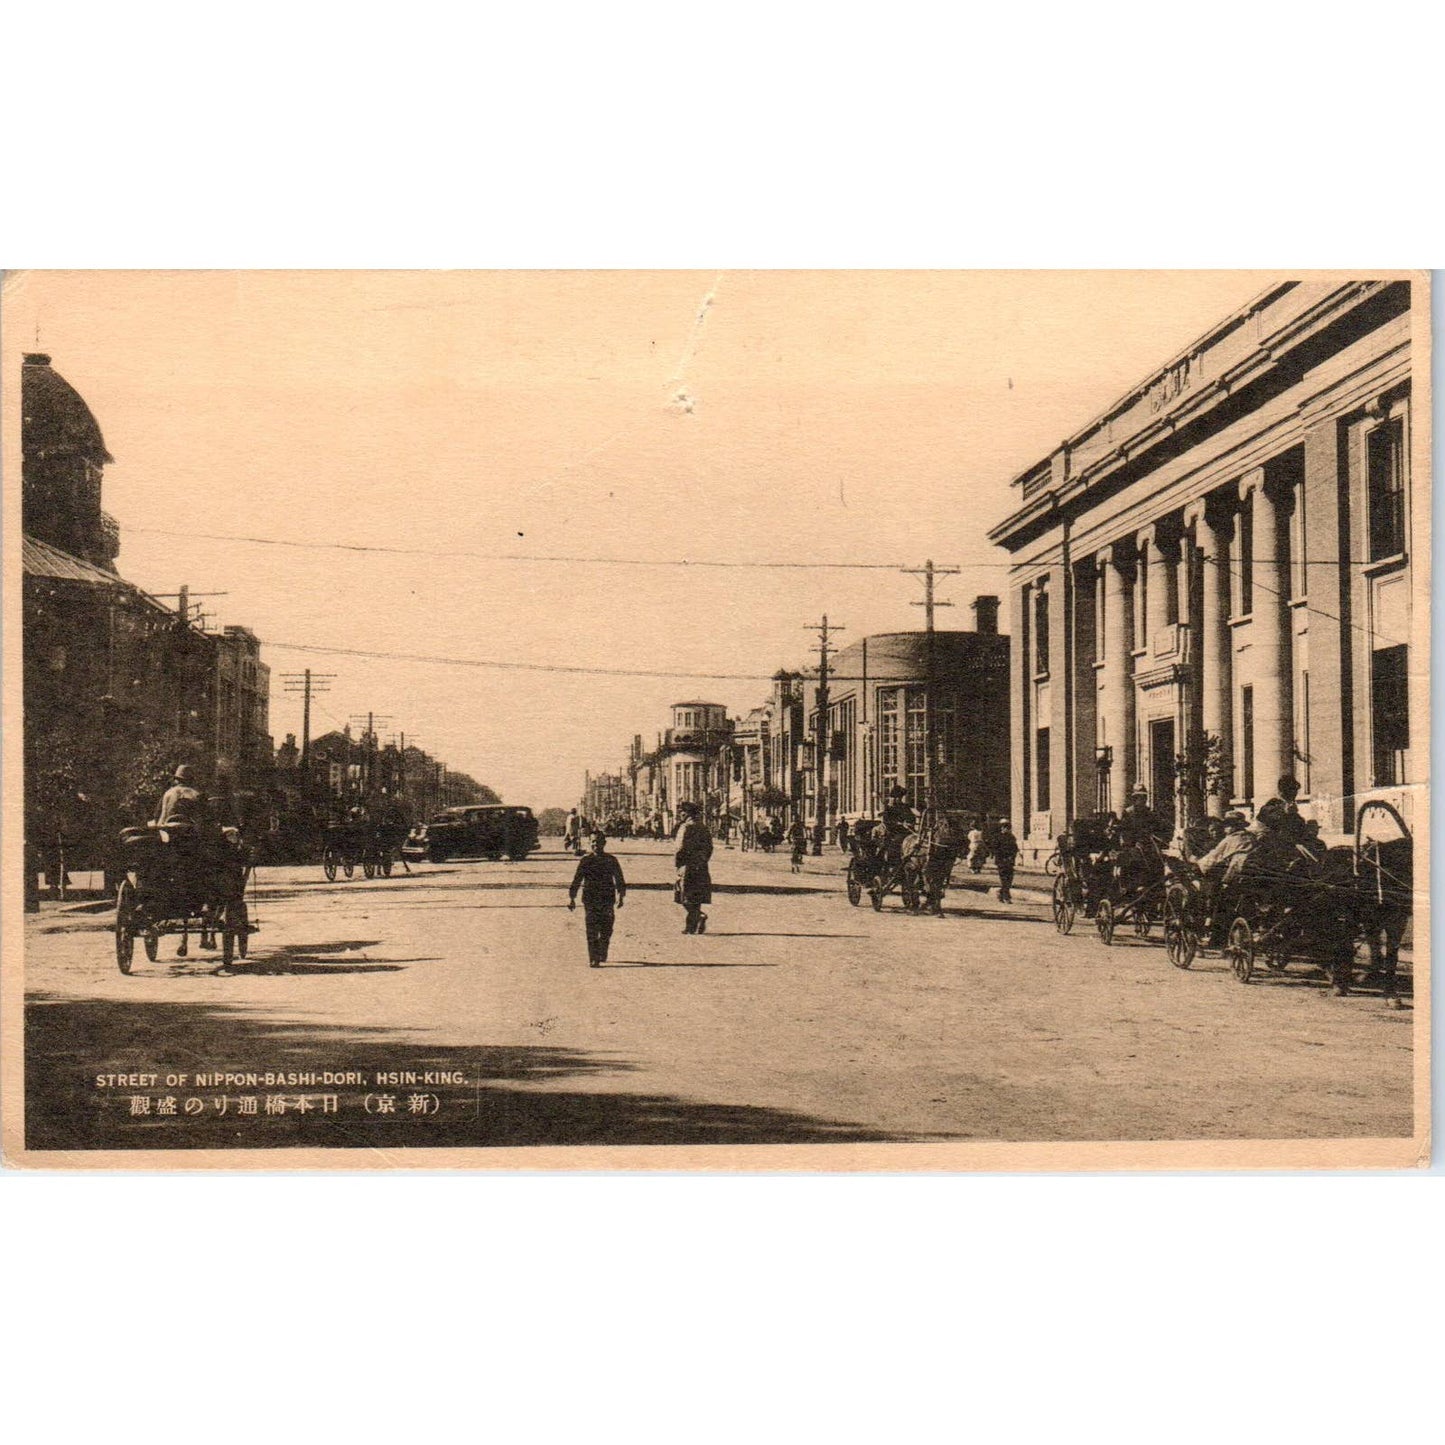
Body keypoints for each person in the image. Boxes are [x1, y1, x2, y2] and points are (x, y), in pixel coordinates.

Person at [568, 832, 626, 966]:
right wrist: (572, 897)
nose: (595, 845)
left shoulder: (611, 860)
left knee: (607, 928)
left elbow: (619, 879)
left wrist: (621, 895)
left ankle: (602, 949)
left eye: (598, 842)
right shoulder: (586, 861)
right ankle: (593, 957)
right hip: (590, 898)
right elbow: (577, 880)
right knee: (592, 928)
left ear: (604, 843)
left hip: (607, 898)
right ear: (589, 843)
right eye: (593, 842)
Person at [674, 801, 714, 934]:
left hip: (688, 865)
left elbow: (680, 848)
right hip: (701, 866)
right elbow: (709, 847)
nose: (680, 814)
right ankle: (691, 926)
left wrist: (679, 865)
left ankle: (698, 918)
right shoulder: (703, 827)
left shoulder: (685, 827)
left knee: (684, 896)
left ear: (687, 813)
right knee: (696, 895)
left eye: (682, 812)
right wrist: (703, 860)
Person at [993, 818, 1019, 903]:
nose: (1006, 828)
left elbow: (1015, 848)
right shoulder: (997, 837)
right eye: (1004, 827)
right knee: (1004, 879)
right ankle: (1006, 897)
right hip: (1001, 861)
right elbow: (995, 849)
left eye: (1008, 827)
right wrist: (1000, 857)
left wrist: (1013, 856)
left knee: (1010, 879)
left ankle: (1000, 893)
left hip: (1010, 860)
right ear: (1001, 828)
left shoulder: (1011, 837)